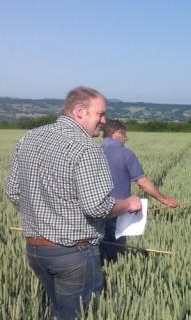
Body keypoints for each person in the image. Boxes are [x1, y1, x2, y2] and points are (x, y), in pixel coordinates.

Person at [6, 87, 142, 320]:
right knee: (80, 315)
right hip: (74, 254)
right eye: (100, 114)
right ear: (80, 111)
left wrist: (45, 217)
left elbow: (13, 192)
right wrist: (128, 203)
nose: (104, 120)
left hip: (36, 250)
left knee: (60, 312)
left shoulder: (30, 137)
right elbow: (97, 208)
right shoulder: (86, 148)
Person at [100, 120, 178, 261]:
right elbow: (143, 183)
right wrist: (164, 199)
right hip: (118, 212)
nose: (125, 140)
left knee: (99, 250)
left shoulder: (93, 152)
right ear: (117, 133)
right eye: (125, 136)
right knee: (117, 252)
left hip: (95, 212)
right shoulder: (125, 154)